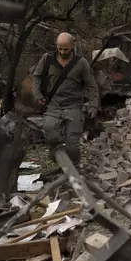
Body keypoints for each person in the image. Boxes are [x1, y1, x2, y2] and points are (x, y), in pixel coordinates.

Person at [31, 32, 99, 165]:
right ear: (56, 45)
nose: (62, 52)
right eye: (60, 48)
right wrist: (37, 95)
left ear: (73, 46)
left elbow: (91, 86)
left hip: (73, 106)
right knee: (51, 135)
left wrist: (93, 105)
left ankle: (73, 168)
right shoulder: (47, 59)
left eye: (66, 49)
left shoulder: (81, 63)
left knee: (72, 144)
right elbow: (37, 77)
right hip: (54, 105)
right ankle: (58, 158)